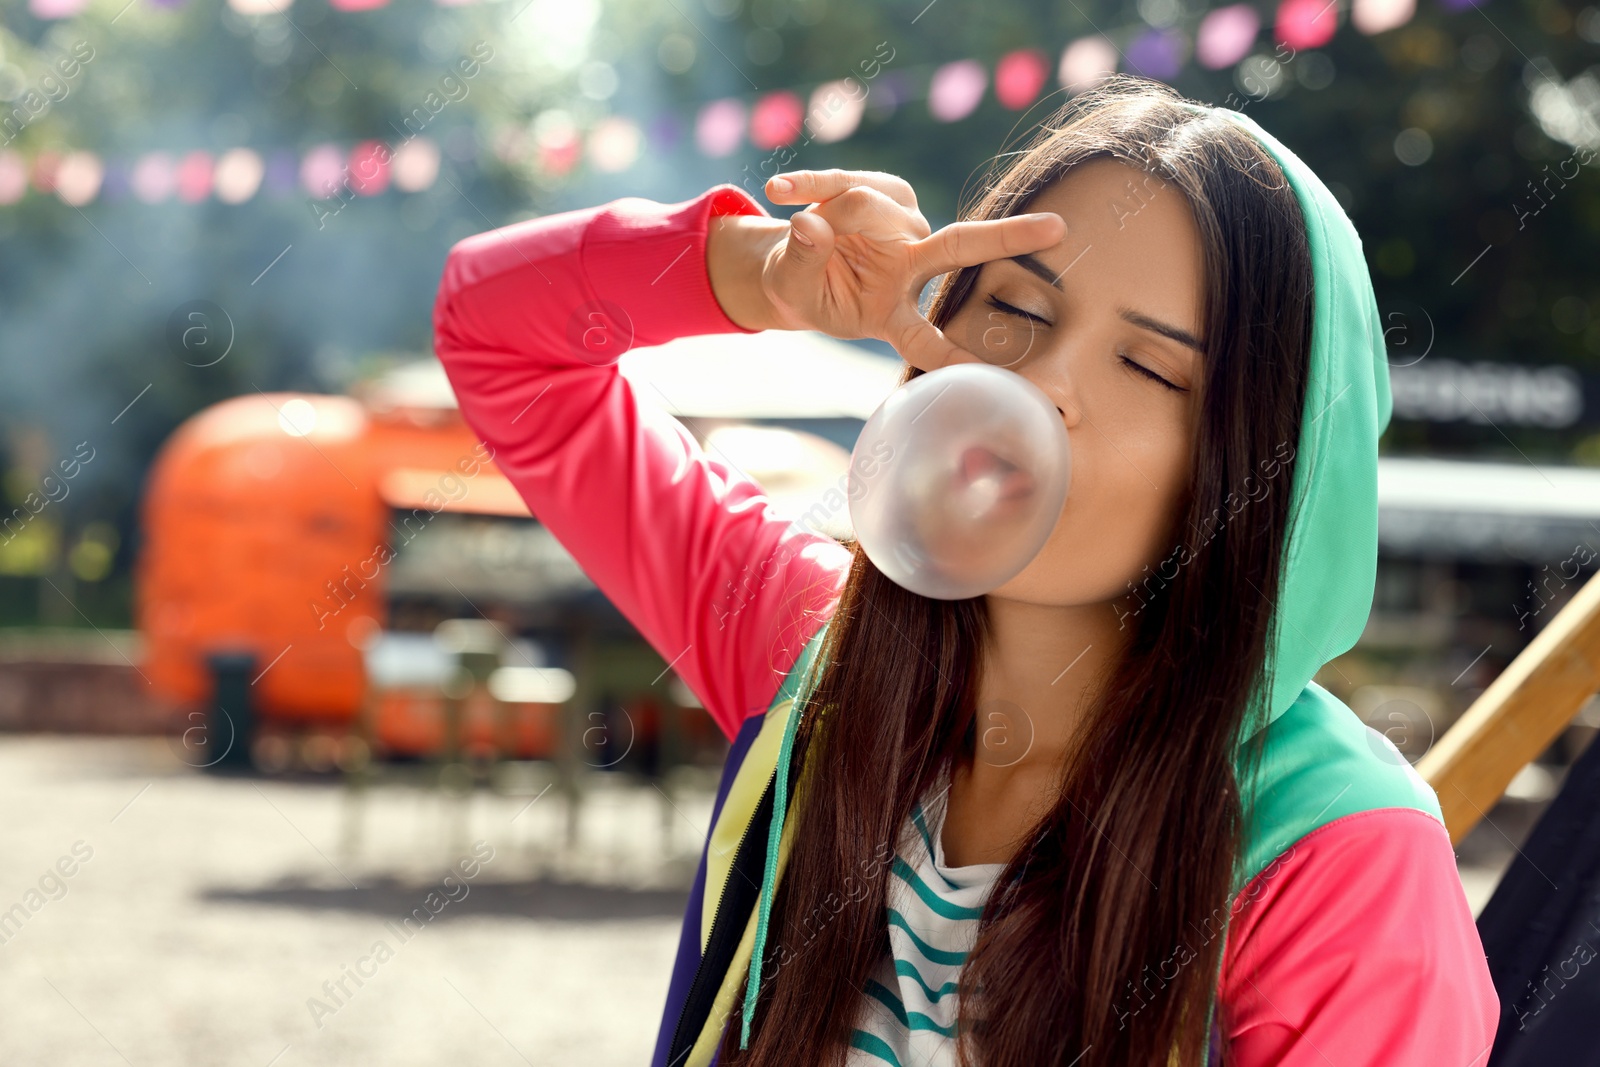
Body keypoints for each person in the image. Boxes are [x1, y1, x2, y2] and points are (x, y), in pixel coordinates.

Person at [432, 75, 1499, 1067]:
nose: (1040, 380)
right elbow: (493, 335)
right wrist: (771, 278)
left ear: (1266, 471)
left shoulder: (1338, 860)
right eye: (1017, 311)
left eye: (1146, 365)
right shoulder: (808, 647)